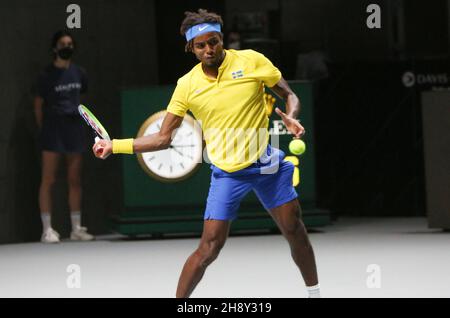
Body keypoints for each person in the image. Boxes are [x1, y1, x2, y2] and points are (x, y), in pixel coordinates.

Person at [93, 9, 320, 298]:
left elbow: (289, 94)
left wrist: (292, 115)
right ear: (191, 48)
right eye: (200, 45)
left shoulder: (251, 61)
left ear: (221, 39)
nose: (209, 49)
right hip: (227, 173)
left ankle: (315, 294)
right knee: (209, 248)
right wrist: (114, 145)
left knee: (294, 228)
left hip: (266, 166)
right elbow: (163, 138)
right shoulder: (187, 85)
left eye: (213, 41)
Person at [34, 30, 94, 243]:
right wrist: (45, 127)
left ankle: (76, 229)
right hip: (52, 130)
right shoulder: (46, 75)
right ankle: (47, 230)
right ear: (55, 48)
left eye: (70, 43)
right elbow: (39, 105)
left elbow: (83, 102)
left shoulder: (80, 73)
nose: (67, 46)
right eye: (62, 43)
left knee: (74, 179)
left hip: (75, 130)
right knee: (48, 179)